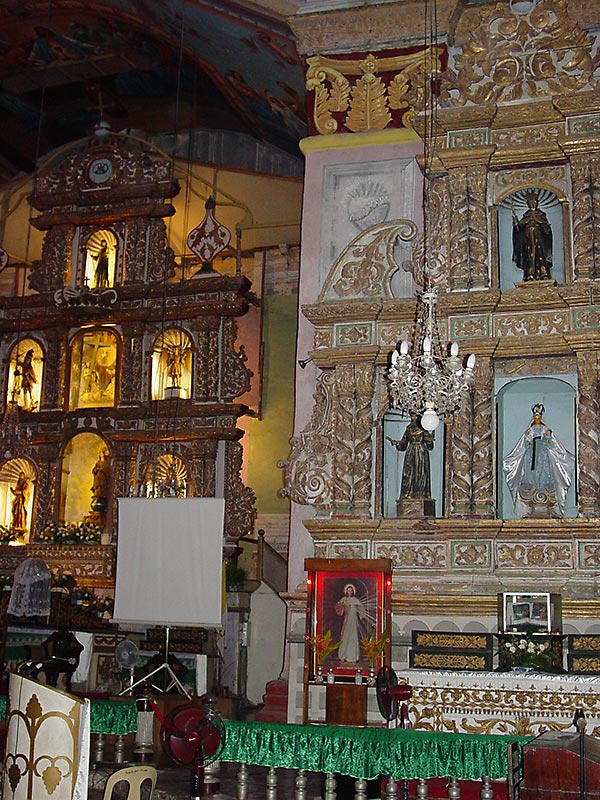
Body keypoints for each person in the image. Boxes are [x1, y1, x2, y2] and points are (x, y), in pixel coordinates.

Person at [503, 403, 575, 518]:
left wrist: (546, 439)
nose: (537, 418)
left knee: (544, 470)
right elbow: (525, 442)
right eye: (535, 416)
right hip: (531, 454)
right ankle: (532, 487)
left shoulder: (545, 429)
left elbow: (551, 443)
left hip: (543, 453)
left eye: (538, 416)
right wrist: (529, 443)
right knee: (530, 472)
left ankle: (543, 487)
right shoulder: (530, 430)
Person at [388, 414, 435, 499]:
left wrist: (429, 441)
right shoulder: (408, 430)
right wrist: (397, 443)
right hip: (410, 454)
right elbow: (403, 445)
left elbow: (430, 447)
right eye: (412, 416)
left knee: (421, 474)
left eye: (415, 416)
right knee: (409, 474)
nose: (413, 418)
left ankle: (422, 494)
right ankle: (408, 494)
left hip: (421, 453)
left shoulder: (424, 429)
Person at [512, 192, 553, 281]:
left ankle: (544, 273)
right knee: (529, 257)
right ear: (528, 205)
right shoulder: (526, 216)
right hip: (528, 240)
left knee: (540, 255)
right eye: (530, 203)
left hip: (539, 239)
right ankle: (529, 274)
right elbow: (519, 230)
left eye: (534, 202)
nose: (532, 204)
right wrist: (516, 223)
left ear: (537, 203)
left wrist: (544, 228)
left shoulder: (541, 215)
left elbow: (546, 229)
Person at [335, 583, 369, 664]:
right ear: (346, 591)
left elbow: (361, 608)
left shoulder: (355, 600)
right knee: (345, 636)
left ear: (353, 591)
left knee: (353, 637)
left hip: (353, 621)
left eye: (351, 590)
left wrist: (356, 608)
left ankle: (353, 656)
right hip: (347, 621)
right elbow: (338, 608)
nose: (349, 592)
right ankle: (343, 655)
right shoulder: (344, 599)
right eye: (348, 590)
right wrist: (344, 605)